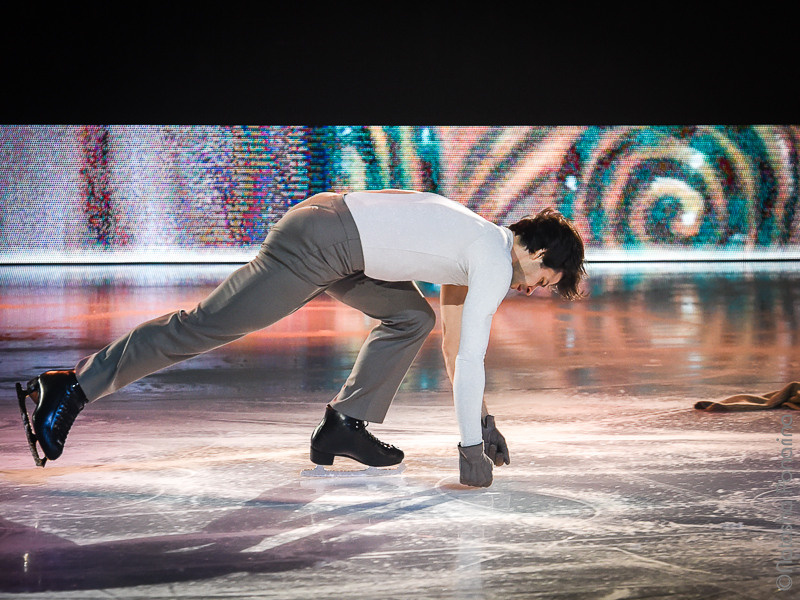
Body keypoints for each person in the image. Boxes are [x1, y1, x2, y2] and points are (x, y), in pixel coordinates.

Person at [16, 190, 586, 487]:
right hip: (322, 240)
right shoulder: (492, 259)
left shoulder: (479, 246)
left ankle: (345, 424)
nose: (535, 289)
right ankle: (71, 387)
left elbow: (453, 347)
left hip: (340, 235)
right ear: (535, 253)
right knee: (206, 325)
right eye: (545, 280)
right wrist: (469, 451)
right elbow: (472, 356)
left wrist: (482, 423)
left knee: (413, 318)